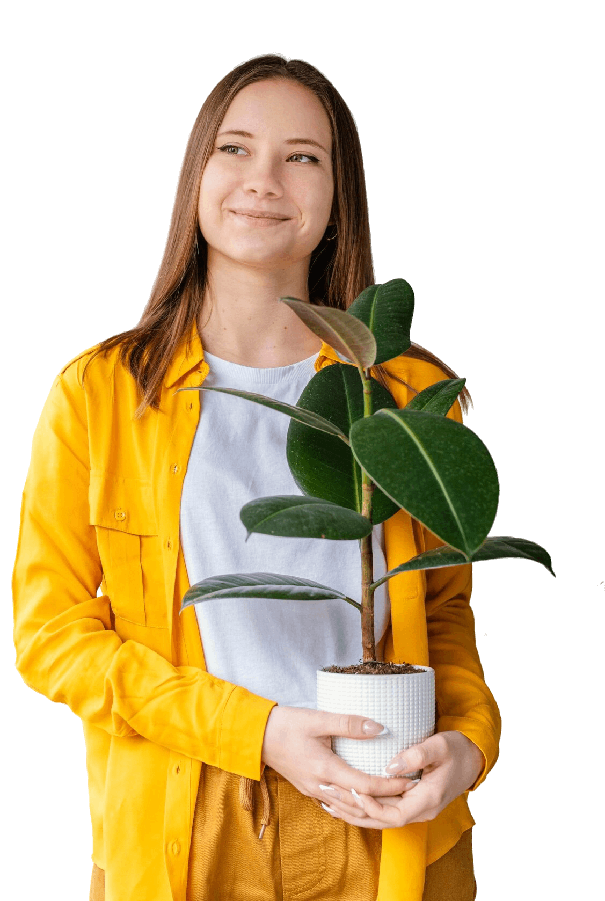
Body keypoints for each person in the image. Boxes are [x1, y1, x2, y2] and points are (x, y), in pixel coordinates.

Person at [12, 53, 500, 901]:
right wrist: (259, 731)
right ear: (195, 176)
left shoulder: (407, 396)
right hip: (184, 813)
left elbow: (443, 611)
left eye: (301, 156)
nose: (263, 180)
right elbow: (52, 635)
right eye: (234, 148)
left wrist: (468, 743)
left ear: (338, 194)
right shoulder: (100, 391)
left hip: (383, 804)